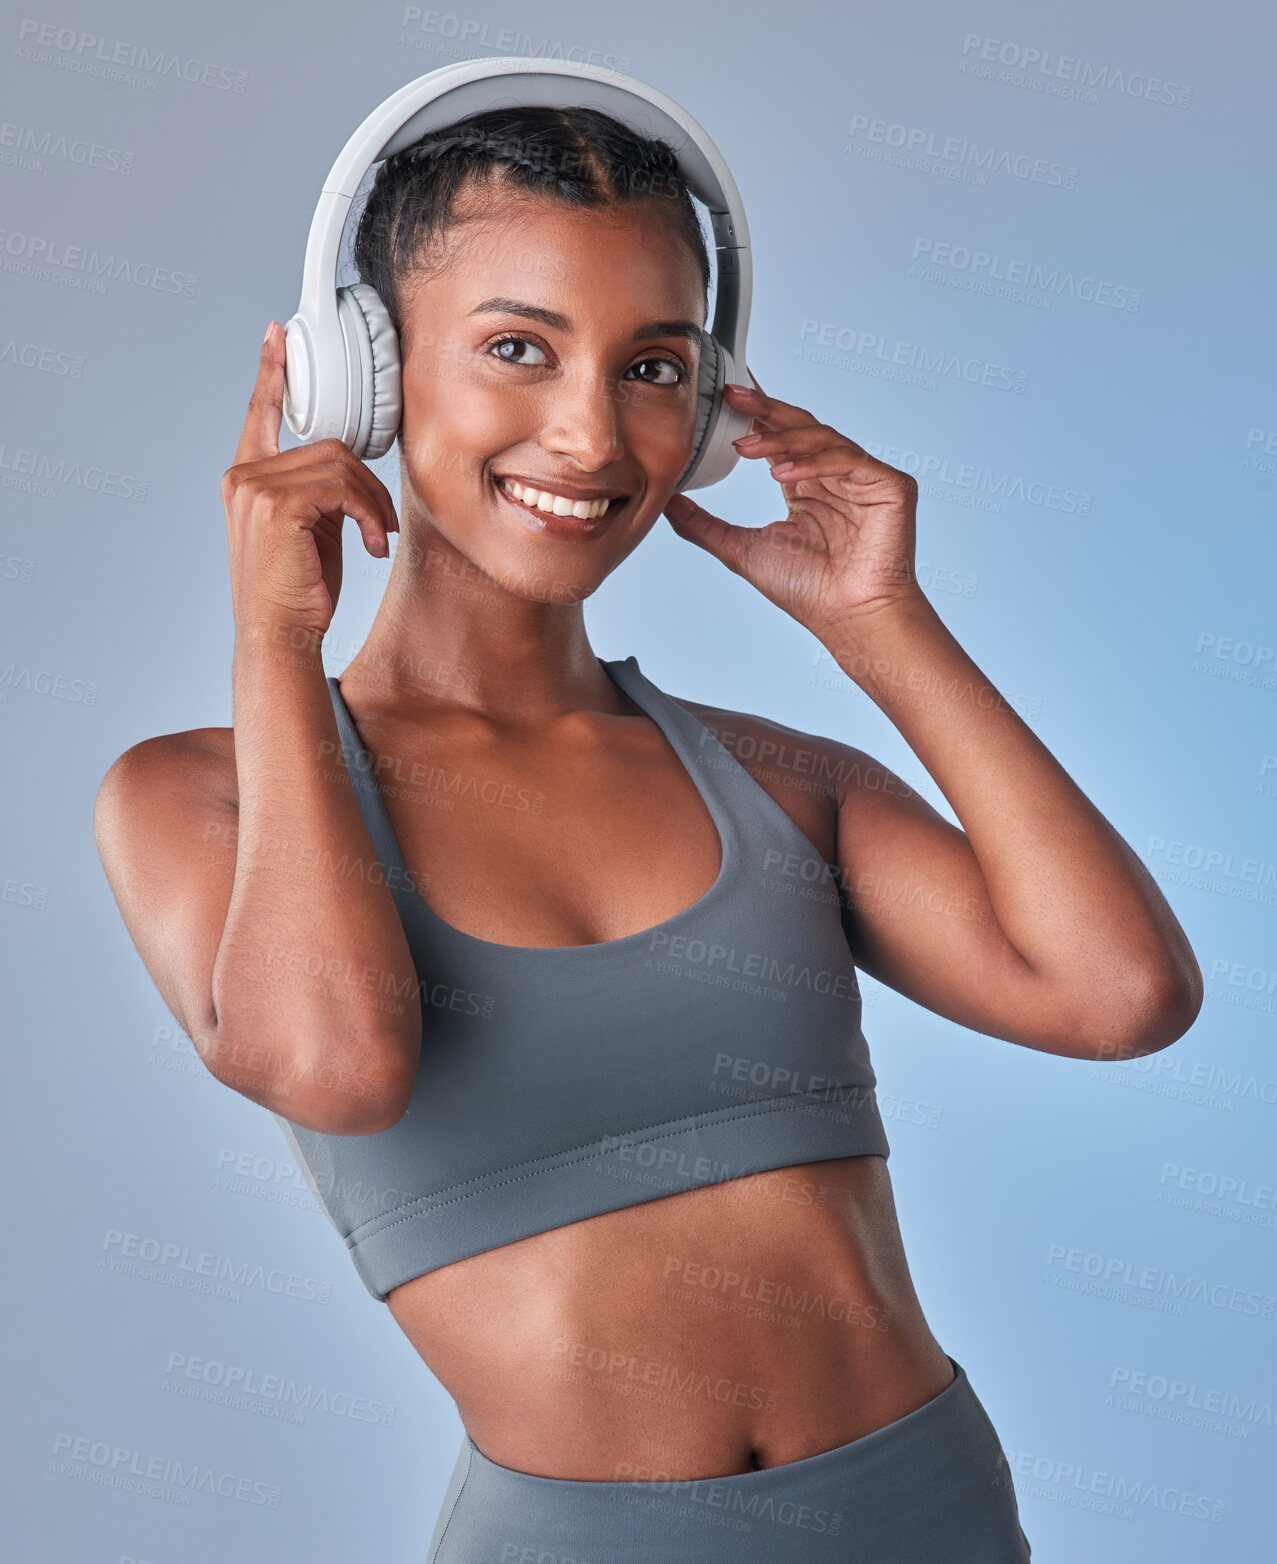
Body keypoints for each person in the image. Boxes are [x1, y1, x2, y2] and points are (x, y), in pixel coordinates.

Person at [94, 104, 1202, 1561]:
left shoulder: (772, 777)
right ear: (362, 375)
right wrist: (274, 645)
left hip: (926, 1508)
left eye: (654, 367)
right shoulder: (203, 794)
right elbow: (335, 1065)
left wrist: (879, 626)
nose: (591, 432)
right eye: (516, 347)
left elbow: (1119, 997)